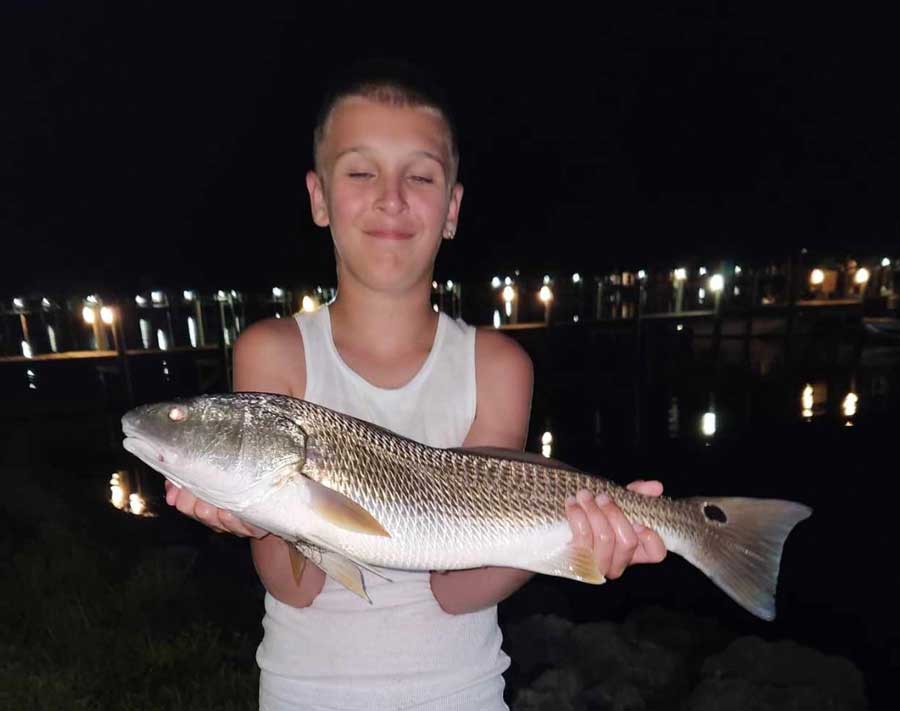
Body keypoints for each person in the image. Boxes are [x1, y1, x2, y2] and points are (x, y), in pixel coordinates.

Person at [165, 60, 667, 710]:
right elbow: (295, 587)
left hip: (460, 692)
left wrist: (576, 543)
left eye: (421, 175)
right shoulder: (273, 352)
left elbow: (453, 590)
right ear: (319, 197)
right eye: (361, 170)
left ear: (452, 207)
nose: (391, 197)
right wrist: (255, 512)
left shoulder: (498, 364)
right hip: (305, 694)